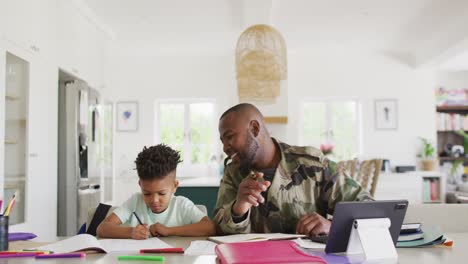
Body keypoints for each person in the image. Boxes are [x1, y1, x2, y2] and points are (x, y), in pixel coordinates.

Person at [214, 103, 372, 236]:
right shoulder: (233, 173)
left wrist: (333, 226)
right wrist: (238, 208)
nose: (225, 147)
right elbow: (218, 229)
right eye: (222, 141)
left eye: (230, 137)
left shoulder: (312, 164)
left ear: (255, 129)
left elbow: (368, 208)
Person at [97, 144, 216, 239]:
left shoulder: (182, 206)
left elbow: (209, 227)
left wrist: (169, 231)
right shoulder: (135, 201)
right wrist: (131, 232)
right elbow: (102, 228)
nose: (154, 200)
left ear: (175, 186)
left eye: (161, 193)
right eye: (147, 193)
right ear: (140, 185)